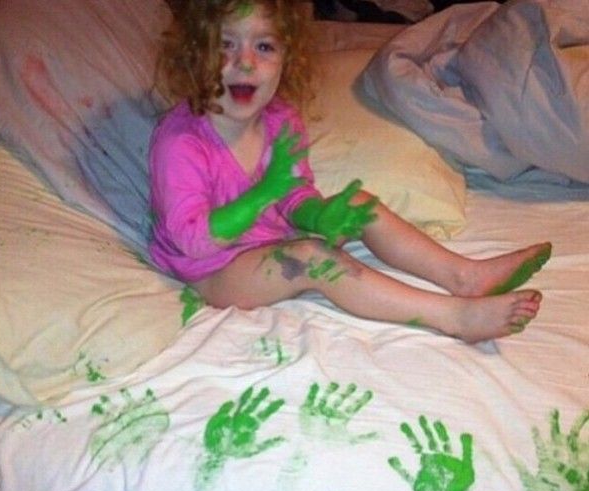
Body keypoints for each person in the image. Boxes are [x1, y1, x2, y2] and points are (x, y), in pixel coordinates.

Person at [149, 0, 551, 344]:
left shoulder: (280, 120)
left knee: (360, 204)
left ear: (286, 60)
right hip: (214, 270)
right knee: (312, 258)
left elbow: (294, 195)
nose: (245, 62)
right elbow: (192, 240)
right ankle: (454, 317)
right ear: (195, 52)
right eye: (225, 45)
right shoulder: (181, 141)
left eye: (264, 46)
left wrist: (319, 216)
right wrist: (264, 193)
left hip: (265, 241)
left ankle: (465, 276)